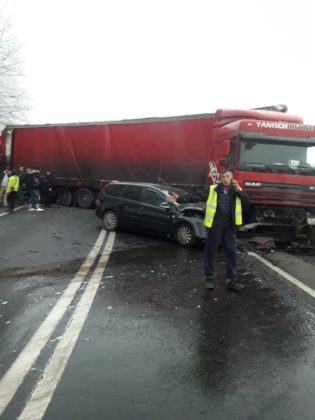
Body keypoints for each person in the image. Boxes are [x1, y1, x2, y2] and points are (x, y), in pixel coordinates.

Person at [167, 169, 251, 292]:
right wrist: (179, 199)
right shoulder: (213, 189)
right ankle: (209, 278)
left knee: (231, 252)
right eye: (223, 177)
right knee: (211, 251)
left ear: (232, 178)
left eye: (228, 176)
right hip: (216, 223)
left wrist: (239, 190)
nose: (225, 179)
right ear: (220, 178)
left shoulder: (237, 190)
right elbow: (197, 196)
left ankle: (231, 280)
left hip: (230, 225)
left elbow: (247, 202)